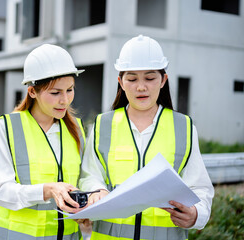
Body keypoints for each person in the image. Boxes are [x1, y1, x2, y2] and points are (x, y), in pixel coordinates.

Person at [78, 35, 214, 240]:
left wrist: (196, 214)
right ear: (120, 82)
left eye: (150, 78)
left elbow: (200, 187)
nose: (141, 87)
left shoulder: (183, 127)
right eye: (132, 79)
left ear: (163, 80)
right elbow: (89, 175)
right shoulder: (102, 125)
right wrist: (96, 190)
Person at [0, 44, 86, 240]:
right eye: (55, 93)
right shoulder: (6, 128)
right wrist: (48, 190)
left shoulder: (76, 129)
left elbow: (83, 180)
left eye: (70, 90)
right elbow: (2, 191)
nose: (65, 100)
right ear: (32, 92)